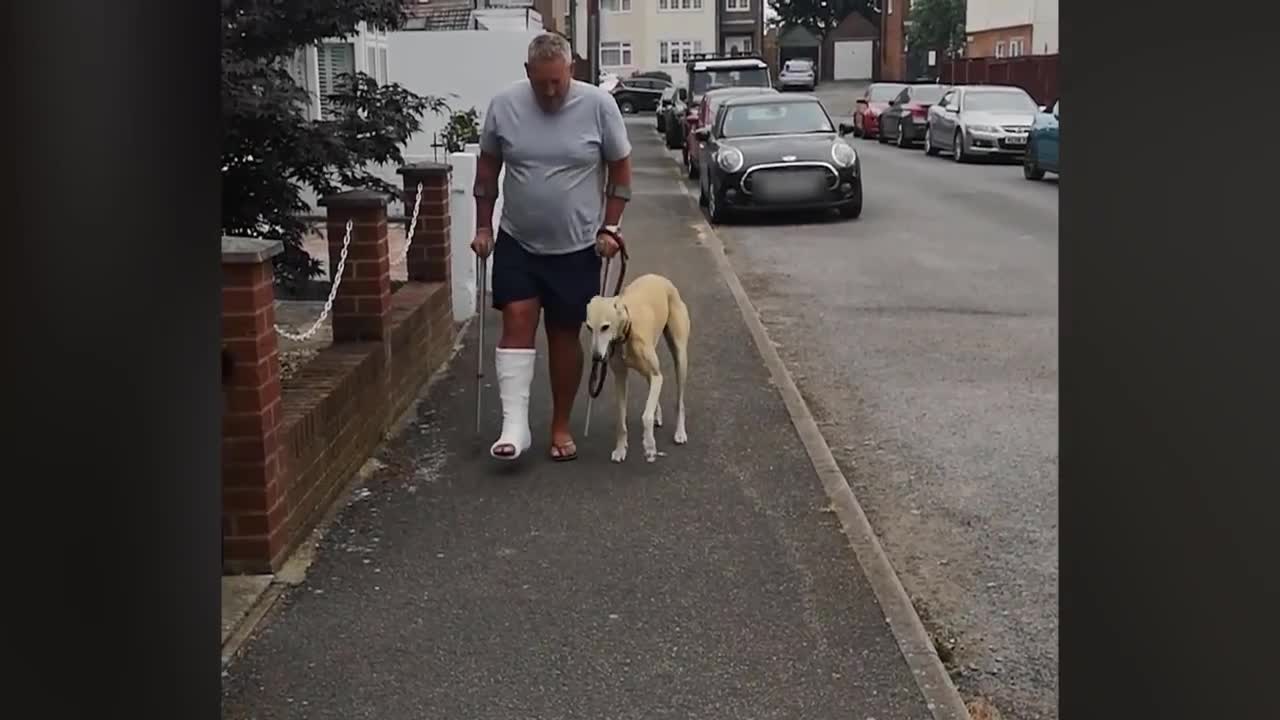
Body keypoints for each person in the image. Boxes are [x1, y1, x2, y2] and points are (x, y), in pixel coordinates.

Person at [471, 32, 633, 462]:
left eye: (556, 82)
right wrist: (483, 228)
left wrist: (612, 227)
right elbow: (487, 170)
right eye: (540, 82)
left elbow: (620, 169)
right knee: (517, 318)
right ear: (527, 73)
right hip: (518, 240)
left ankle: (559, 424)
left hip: (578, 247)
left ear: (571, 72)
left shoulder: (599, 106)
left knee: (564, 335)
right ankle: (514, 427)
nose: (549, 91)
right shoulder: (504, 105)